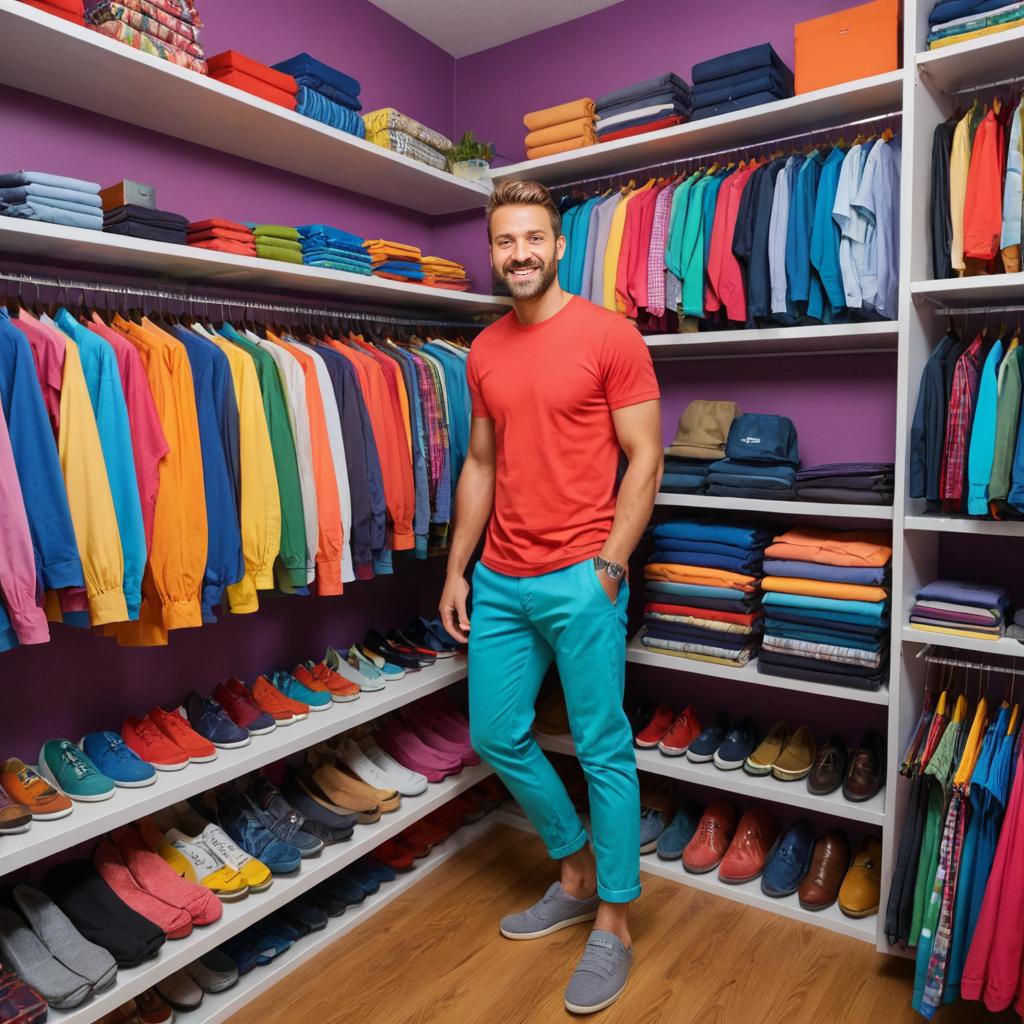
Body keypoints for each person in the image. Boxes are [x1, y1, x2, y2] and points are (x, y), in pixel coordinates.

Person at [438, 179, 663, 1015]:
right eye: (505, 241)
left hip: (581, 575)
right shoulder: (484, 350)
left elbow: (645, 459)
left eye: (533, 238)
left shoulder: (611, 335)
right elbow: (482, 466)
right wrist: (458, 568)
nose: (519, 254)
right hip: (501, 578)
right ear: (492, 250)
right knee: (497, 731)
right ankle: (572, 867)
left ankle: (613, 920)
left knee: (602, 747)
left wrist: (609, 564)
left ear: (560, 245)